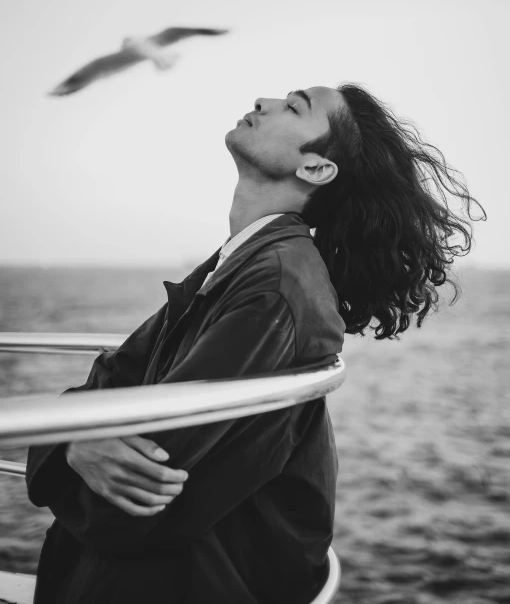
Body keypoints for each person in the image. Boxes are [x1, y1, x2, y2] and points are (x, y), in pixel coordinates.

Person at [25, 83, 484, 604]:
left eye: (294, 107)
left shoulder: (275, 287)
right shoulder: (240, 264)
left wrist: (68, 440)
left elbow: (133, 496)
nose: (264, 101)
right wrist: (74, 441)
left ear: (315, 168)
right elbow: (113, 378)